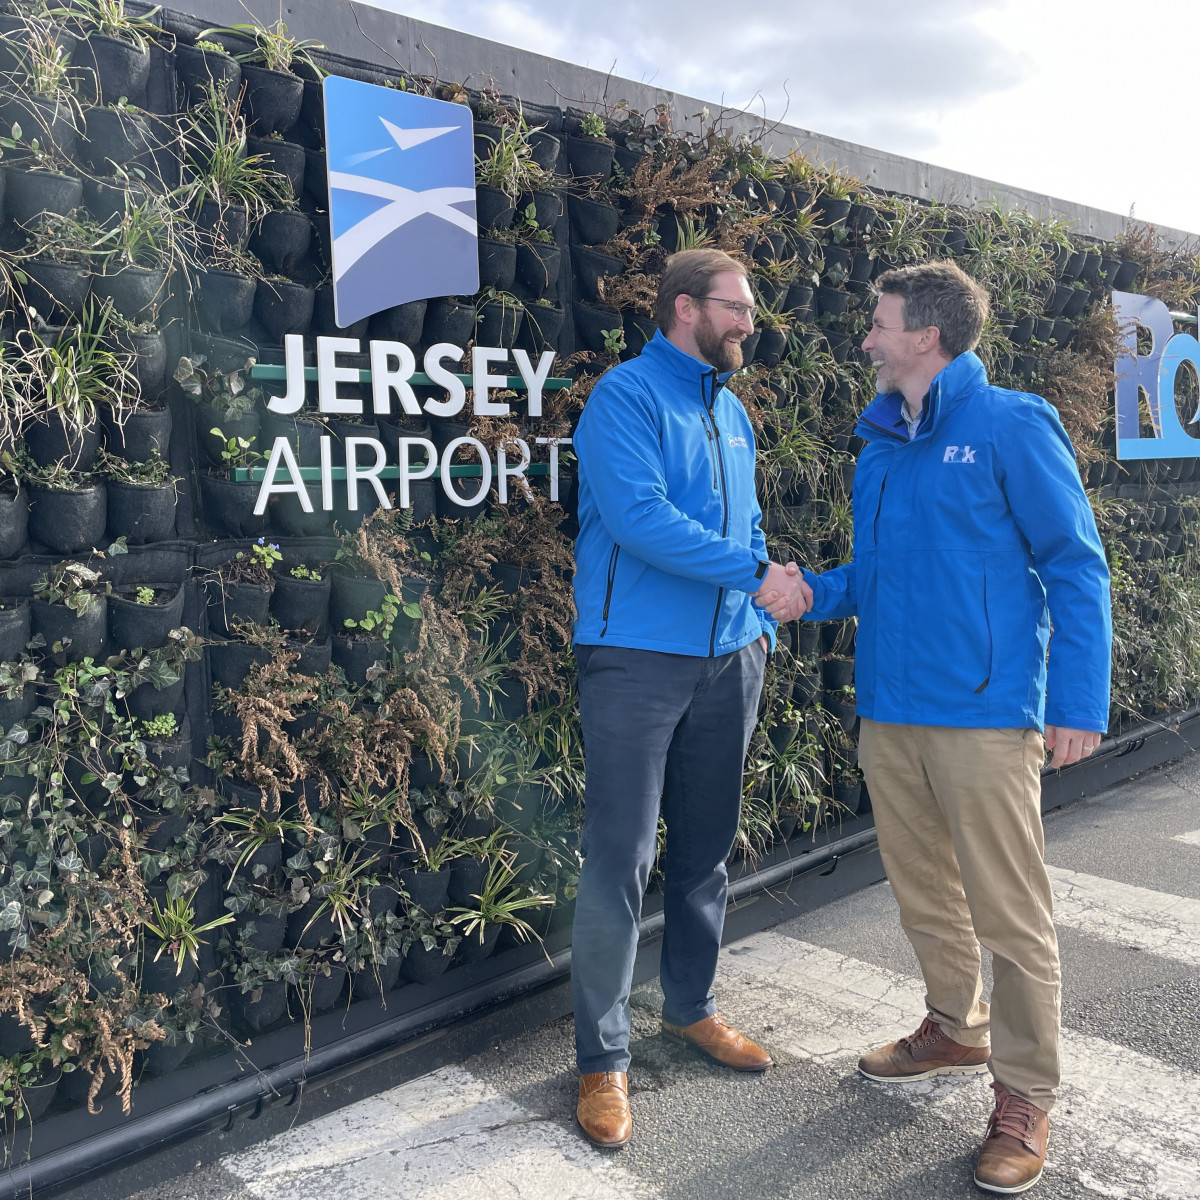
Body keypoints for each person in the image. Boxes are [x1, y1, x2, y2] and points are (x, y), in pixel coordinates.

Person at [786, 260, 1110, 1194]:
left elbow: (1075, 566)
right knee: (925, 891)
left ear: (925, 336)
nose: (867, 339)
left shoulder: (1012, 423)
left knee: (1012, 915)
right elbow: (876, 574)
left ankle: (1025, 1095)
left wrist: (1076, 703)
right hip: (892, 711)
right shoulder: (882, 442)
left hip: (984, 714)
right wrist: (810, 589)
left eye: (878, 324)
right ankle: (955, 1029)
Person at [568, 248, 812, 1148]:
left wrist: (762, 624)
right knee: (620, 861)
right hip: (634, 660)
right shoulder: (624, 399)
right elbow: (640, 522)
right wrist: (760, 577)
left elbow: (743, 525)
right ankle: (602, 1060)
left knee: (705, 851)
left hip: (728, 661)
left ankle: (691, 1008)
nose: (751, 322)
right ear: (685, 309)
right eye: (738, 306)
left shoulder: (734, 411)